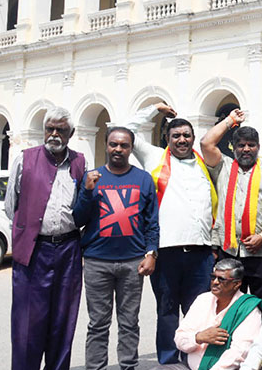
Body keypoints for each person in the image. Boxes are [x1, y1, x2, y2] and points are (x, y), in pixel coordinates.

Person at [125, 101, 218, 364]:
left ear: (193, 138)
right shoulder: (154, 157)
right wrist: (155, 109)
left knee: (197, 309)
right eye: (176, 135)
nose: (181, 140)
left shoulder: (204, 164)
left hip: (201, 251)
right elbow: (125, 130)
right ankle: (168, 359)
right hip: (166, 251)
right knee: (167, 309)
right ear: (167, 138)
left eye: (186, 135)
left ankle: (194, 357)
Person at [4, 106, 87, 370]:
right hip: (33, 251)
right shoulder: (24, 159)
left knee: (63, 321)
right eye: (49, 128)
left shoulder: (81, 162)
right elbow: (11, 206)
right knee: (28, 323)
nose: (53, 134)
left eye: (60, 129)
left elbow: (85, 203)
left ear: (70, 133)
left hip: (69, 250)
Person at [73, 127, 159, 370]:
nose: (118, 149)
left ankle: (128, 366)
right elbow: (78, 219)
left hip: (133, 262)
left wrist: (151, 253)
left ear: (131, 148)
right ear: (106, 145)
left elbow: (152, 221)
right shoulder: (92, 177)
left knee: (129, 322)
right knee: (98, 324)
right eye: (113, 144)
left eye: (124, 145)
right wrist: (88, 191)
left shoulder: (143, 179)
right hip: (97, 262)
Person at [201, 111, 262, 312]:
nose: (246, 149)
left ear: (258, 147)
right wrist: (230, 121)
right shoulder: (223, 166)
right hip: (230, 250)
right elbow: (206, 143)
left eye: (251, 145)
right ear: (233, 148)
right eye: (241, 145)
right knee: (229, 304)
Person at [171, 259, 262, 370]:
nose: (215, 282)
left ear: (236, 284)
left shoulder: (248, 308)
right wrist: (198, 337)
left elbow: (240, 352)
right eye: (213, 277)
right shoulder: (203, 299)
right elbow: (180, 338)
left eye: (221, 279)